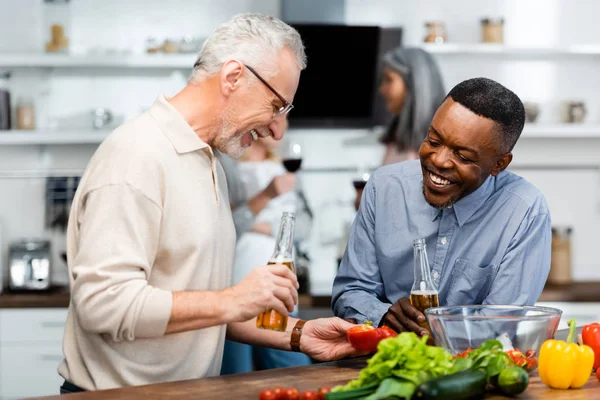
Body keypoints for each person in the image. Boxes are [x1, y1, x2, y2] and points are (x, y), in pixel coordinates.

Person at [58, 13, 362, 393]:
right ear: (233, 76)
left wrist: (298, 334)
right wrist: (233, 299)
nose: (277, 129)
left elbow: (201, 306)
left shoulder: (209, 160)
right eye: (276, 105)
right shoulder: (136, 155)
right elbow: (102, 304)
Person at [332, 77, 551, 337]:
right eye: (434, 141)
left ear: (499, 164)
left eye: (462, 156)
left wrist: (434, 330)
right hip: (387, 362)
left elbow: (502, 324)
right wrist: (383, 315)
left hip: (472, 373)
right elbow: (349, 292)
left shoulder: (526, 212)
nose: (438, 160)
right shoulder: (384, 187)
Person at [220, 136, 313, 374]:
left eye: (285, 116)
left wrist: (266, 227)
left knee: (294, 373)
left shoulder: (287, 167)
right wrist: (267, 195)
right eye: (276, 113)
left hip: (280, 284)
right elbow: (224, 225)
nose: (280, 129)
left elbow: (304, 225)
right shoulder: (227, 167)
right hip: (237, 282)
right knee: (235, 377)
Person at [378, 47, 445, 166]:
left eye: (389, 80)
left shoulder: (441, 148)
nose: (381, 89)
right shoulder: (396, 139)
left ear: (413, 84)